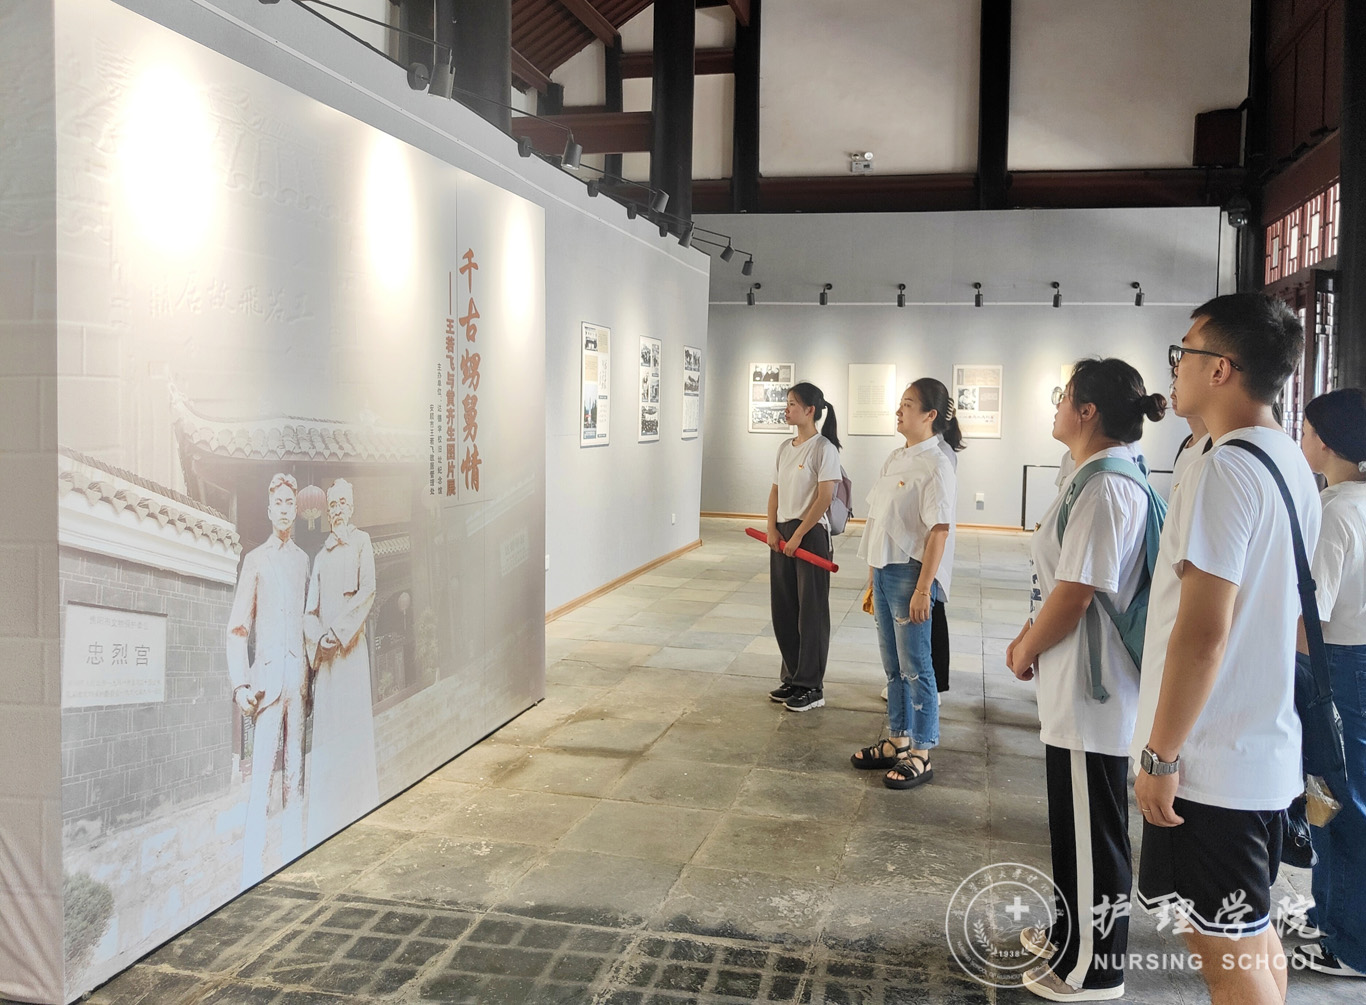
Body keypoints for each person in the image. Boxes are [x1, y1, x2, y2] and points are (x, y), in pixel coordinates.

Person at [1131, 292, 1317, 1005]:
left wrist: (1161, 756)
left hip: (1212, 763)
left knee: (1227, 960)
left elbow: (1203, 633)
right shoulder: (1285, 459)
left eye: (1184, 352)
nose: (1174, 367)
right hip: (1259, 750)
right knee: (1250, 935)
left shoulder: (1225, 469)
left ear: (1222, 368)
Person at [1006, 360, 1166, 1001]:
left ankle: (1096, 969)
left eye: (1063, 396)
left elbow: (1075, 595)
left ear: (1088, 411)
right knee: (1075, 825)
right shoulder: (1094, 475)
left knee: (1094, 831)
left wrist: (1026, 648)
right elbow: (1060, 583)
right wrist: (1030, 636)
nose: (1056, 406)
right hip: (1075, 678)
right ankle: (1071, 935)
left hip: (1092, 690)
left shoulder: (1107, 487)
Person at [1289, 388, 1366, 979]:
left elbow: (1311, 615)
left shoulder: (1336, 510)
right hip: (1355, 661)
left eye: (1307, 429)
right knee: (1338, 795)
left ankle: (1349, 944)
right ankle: (1331, 914)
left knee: (1339, 800)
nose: (1301, 438)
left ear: (1327, 443)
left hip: (1337, 664)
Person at [850, 378, 959, 789]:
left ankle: (922, 750)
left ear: (930, 415)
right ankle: (898, 739)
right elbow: (879, 522)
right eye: (900, 403)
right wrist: (871, 577)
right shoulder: (896, 457)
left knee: (917, 666)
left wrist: (923, 588)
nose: (899, 411)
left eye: (908, 404)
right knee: (892, 666)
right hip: (883, 571)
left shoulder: (936, 464)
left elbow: (939, 531)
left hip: (910, 574)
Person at [226, 473, 310, 886]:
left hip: (298, 680)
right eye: (278, 502)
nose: (284, 509)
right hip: (267, 683)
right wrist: (241, 684)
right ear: (268, 509)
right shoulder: (256, 560)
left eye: (290, 503)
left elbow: (307, 619)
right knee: (261, 777)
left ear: (296, 509)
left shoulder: (302, 561)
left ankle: (293, 856)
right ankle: (252, 870)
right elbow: (238, 628)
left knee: (295, 775)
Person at [303, 478, 380, 844]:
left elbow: (368, 591)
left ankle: (360, 809)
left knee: (354, 729)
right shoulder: (320, 558)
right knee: (330, 732)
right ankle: (329, 817)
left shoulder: (362, 543)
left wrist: (338, 632)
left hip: (351, 653)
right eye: (331, 505)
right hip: (329, 661)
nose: (336, 511)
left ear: (351, 507)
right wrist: (320, 638)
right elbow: (309, 612)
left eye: (341, 504)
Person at [766, 382, 842, 712]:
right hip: (783, 532)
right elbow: (775, 490)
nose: (787, 409)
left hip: (810, 535)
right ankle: (793, 677)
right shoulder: (785, 447)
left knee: (811, 612)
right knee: (784, 609)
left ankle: (811, 685)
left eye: (793, 404)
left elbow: (825, 497)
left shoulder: (824, 448)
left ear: (810, 410)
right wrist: (772, 527)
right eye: (787, 403)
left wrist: (798, 535)